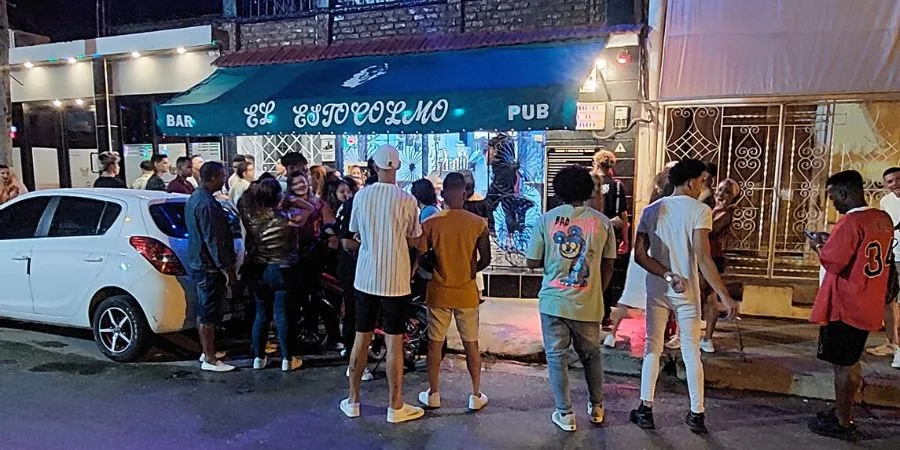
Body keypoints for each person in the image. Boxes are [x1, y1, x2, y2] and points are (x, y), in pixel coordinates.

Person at [631, 158, 738, 434]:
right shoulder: (700, 211)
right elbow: (703, 257)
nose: (705, 185)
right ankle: (697, 413)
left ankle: (645, 408)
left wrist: (666, 274)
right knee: (691, 353)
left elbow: (640, 255)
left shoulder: (652, 210)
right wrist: (723, 295)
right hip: (688, 290)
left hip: (658, 288)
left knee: (652, 349)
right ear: (691, 182)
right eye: (702, 180)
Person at [525, 164, 617, 432]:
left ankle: (565, 414)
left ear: (558, 191)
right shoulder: (602, 222)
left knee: (557, 358)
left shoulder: (546, 219)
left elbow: (532, 261)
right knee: (591, 356)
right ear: (589, 190)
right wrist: (597, 291)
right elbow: (608, 264)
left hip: (553, 301)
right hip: (588, 302)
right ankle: (597, 407)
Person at [340, 144, 425, 424]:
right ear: (397, 167)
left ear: (373, 168)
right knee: (395, 343)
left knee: (361, 337)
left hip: (365, 277)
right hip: (397, 279)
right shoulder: (408, 200)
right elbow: (415, 239)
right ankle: (395, 405)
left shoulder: (361, 197)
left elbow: (354, 235)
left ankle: (353, 400)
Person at [806, 170, 892, 441]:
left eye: (834, 198)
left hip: (846, 302)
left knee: (843, 365)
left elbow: (833, 261)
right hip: (868, 299)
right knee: (850, 360)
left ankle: (843, 421)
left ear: (845, 193)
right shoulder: (882, 219)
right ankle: (843, 409)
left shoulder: (850, 222)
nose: (833, 204)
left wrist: (818, 245)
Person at [416, 172, 492, 411]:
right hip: (466, 292)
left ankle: (434, 393)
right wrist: (470, 270)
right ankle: (476, 393)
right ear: (464, 193)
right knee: (471, 343)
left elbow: (421, 257)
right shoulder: (478, 224)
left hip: (439, 291)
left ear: (443, 194)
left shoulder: (430, 224)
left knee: (435, 343)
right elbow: (486, 259)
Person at [605, 167, 674, 349]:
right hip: (656, 253)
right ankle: (655, 337)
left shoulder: (653, 204)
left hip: (643, 252)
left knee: (631, 294)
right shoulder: (669, 204)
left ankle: (613, 335)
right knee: (660, 297)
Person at [239, 178, 303, 372]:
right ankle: (287, 358)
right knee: (283, 314)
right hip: (282, 269)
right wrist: (291, 201)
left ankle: (258, 357)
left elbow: (244, 201)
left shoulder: (251, 219)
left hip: (258, 270)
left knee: (261, 314)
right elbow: (309, 210)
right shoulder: (287, 219)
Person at [186, 161, 237, 372]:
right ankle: (210, 358)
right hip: (209, 267)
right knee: (209, 311)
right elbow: (214, 240)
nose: (224, 180)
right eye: (222, 176)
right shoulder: (207, 204)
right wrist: (227, 268)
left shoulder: (195, 199)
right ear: (214, 177)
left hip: (200, 263)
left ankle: (207, 352)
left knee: (204, 310)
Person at [700, 179, 740, 353]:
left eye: (727, 192)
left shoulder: (725, 214)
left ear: (733, 197)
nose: (721, 194)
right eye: (721, 189)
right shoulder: (713, 209)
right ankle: (706, 339)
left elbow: (707, 230)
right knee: (709, 298)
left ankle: (700, 337)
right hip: (706, 256)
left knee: (702, 297)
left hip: (710, 257)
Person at [592, 149, 630, 327]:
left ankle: (590, 311)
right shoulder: (617, 185)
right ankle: (605, 313)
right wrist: (626, 239)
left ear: (596, 163)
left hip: (591, 231)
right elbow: (623, 215)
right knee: (607, 271)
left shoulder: (590, 182)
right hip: (611, 233)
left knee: (591, 270)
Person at [870, 167, 900, 369]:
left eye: (897, 179)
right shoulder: (886, 201)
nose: (894, 184)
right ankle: (892, 342)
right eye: (890, 181)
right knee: (888, 299)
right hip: (891, 254)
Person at [462, 170, 490, 302]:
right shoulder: (481, 200)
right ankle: (479, 293)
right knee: (478, 264)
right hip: (479, 236)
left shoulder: (462, 203)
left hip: (465, 236)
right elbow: (486, 220)